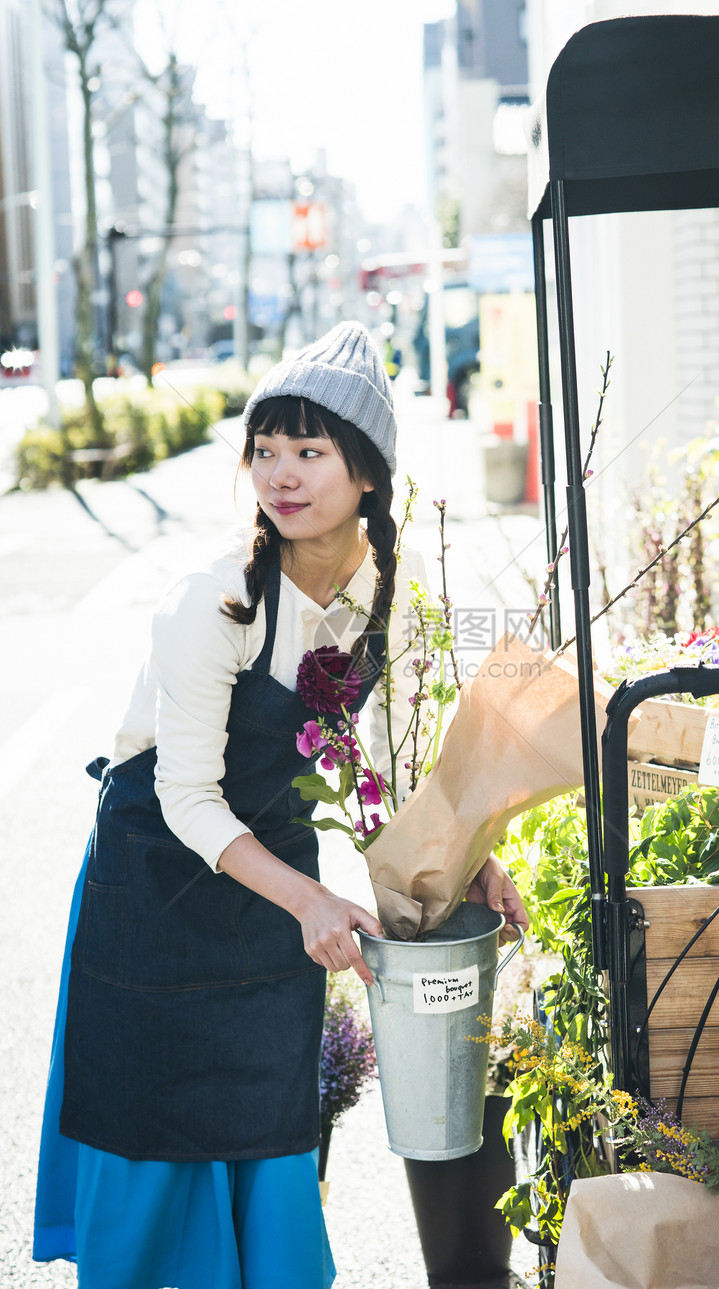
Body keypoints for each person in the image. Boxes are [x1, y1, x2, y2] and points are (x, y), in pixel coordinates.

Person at [33, 321, 528, 1289]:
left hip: (272, 882)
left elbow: (379, 766)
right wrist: (305, 898)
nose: (280, 474)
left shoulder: (385, 594)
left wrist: (467, 854)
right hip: (159, 872)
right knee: (150, 1118)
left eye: (309, 450)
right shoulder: (212, 600)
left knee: (262, 1103)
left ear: (369, 474)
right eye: (265, 449)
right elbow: (184, 793)